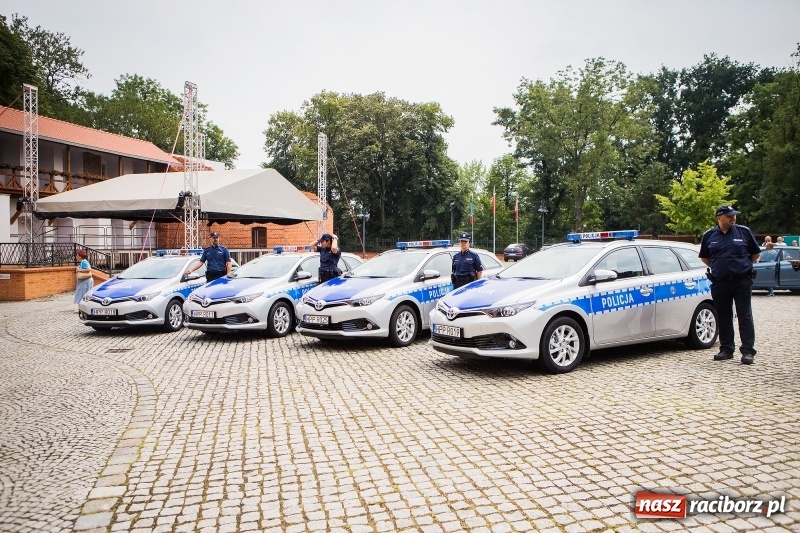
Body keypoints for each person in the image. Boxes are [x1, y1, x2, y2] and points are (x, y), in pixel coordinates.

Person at [699, 205, 761, 365]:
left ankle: (748, 351)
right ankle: (726, 349)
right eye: (729, 216)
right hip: (720, 282)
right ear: (719, 217)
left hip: (741, 280)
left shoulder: (744, 232)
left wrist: (741, 266)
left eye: (734, 215)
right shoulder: (709, 235)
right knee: (723, 315)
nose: (733, 218)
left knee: (744, 315)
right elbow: (705, 257)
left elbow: (755, 254)